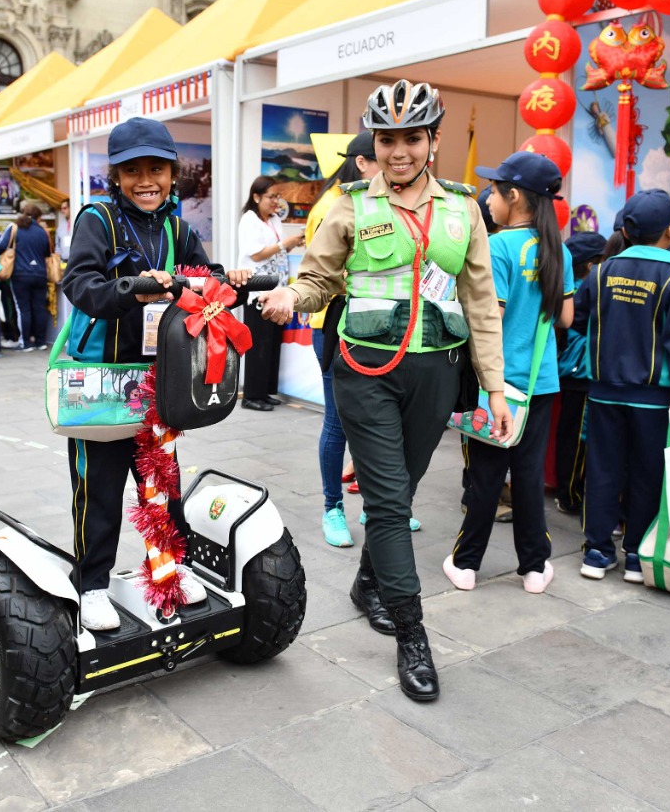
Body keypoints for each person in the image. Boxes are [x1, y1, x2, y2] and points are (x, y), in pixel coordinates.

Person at [258, 81, 509, 702]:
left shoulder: (463, 209)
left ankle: (369, 583)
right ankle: (413, 637)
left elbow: (480, 302)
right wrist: (294, 294)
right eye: (388, 139)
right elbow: (318, 278)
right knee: (389, 504)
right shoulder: (346, 206)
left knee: (405, 486)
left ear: (433, 142)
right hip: (364, 372)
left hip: (436, 374)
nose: (398, 150)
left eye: (411, 138)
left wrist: (496, 388)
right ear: (375, 142)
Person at [62, 116, 251, 632]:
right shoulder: (97, 220)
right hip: (102, 381)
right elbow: (79, 285)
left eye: (157, 169)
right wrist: (135, 288)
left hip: (158, 381)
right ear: (115, 176)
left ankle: (167, 572)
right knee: (97, 490)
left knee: (160, 484)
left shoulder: (180, 229)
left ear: (172, 174)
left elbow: (204, 283)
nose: (146, 180)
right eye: (133, 171)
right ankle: (92, 585)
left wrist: (227, 278)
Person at [445, 152, 573, 595]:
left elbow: (490, 319)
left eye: (494, 191)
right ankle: (534, 568)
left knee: (484, 475)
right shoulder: (558, 249)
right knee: (529, 475)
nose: (488, 198)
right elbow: (566, 318)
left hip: (496, 384)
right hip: (542, 382)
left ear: (514, 196)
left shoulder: (498, 246)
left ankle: (465, 565)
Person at [572, 190, 670, 582]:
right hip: (653, 398)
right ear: (669, 231)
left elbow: (577, 321)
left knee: (603, 468)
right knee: (647, 473)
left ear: (626, 231)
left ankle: (596, 552)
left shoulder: (601, 271)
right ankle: (634, 556)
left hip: (603, 391)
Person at [305, 132, 375, 548]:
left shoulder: (371, 203)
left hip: (372, 327)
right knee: (338, 421)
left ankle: (374, 505)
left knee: (374, 422)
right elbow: (321, 272)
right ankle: (332, 508)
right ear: (364, 163)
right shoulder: (334, 206)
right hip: (333, 323)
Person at [238, 176, 303, 411]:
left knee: (273, 342)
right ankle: (252, 396)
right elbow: (255, 254)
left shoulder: (274, 219)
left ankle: (265, 392)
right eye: (271, 197)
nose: (276, 202)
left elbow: (276, 248)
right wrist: (285, 243)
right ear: (256, 197)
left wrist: (289, 244)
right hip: (257, 291)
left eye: (278, 196)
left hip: (277, 290)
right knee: (258, 344)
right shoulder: (249, 220)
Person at [553, 231, 607, 516]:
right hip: (582, 371)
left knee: (568, 434)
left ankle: (567, 491)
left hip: (568, 371)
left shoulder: (568, 288)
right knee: (577, 438)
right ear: (589, 265)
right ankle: (570, 494)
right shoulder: (588, 291)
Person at [10, 202, 52, 351]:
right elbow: (48, 253)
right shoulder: (42, 232)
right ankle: (40, 342)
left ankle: (26, 343)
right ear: (38, 217)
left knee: (24, 309)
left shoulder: (15, 229)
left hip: (20, 274)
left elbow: (1, 247)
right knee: (39, 308)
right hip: (40, 274)